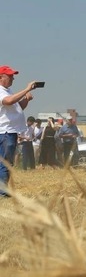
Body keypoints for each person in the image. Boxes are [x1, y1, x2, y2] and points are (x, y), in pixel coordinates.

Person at [0, 65, 38, 196]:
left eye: (12, 76)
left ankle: (4, 191)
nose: (12, 78)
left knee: (7, 162)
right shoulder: (1, 92)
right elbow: (9, 101)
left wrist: (26, 99)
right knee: (5, 163)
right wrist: (26, 89)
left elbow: (18, 107)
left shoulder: (8, 91)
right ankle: (2, 193)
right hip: (4, 132)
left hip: (9, 132)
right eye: (9, 76)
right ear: (1, 77)